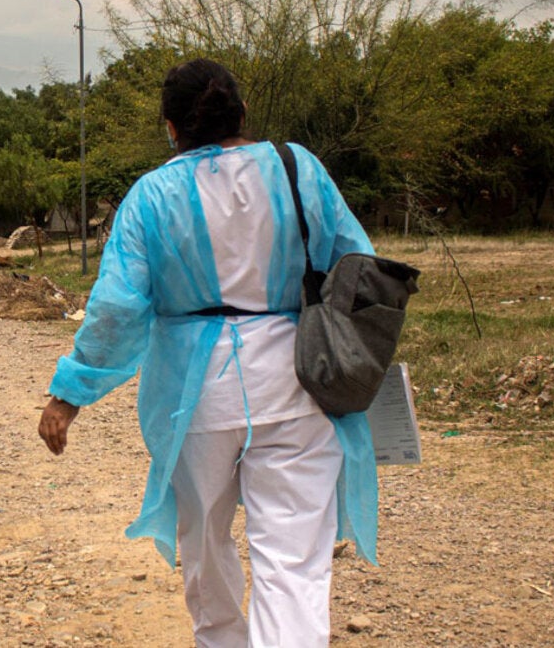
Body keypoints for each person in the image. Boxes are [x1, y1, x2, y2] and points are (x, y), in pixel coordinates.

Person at [37, 58, 378, 647]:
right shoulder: (299, 169)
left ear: (170, 127)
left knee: (204, 541)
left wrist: (70, 394)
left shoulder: (151, 196)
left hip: (196, 401)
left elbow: (117, 308)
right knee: (293, 561)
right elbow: (358, 266)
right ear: (243, 113)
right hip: (299, 383)